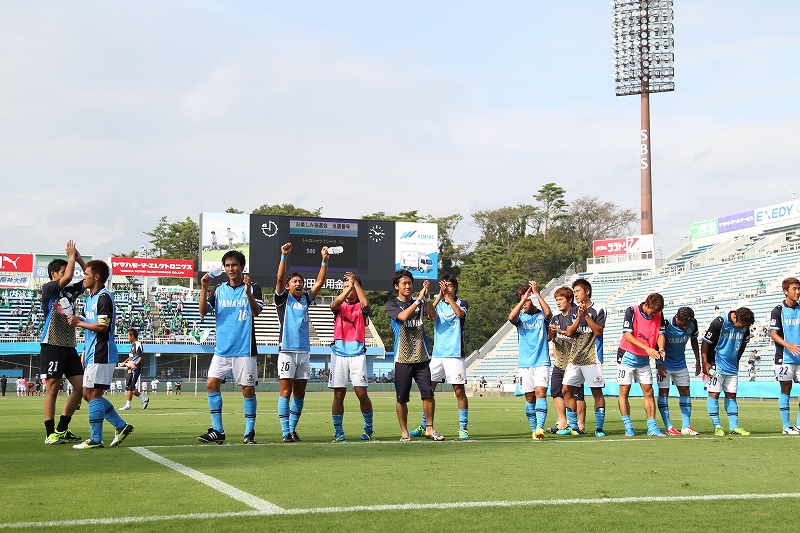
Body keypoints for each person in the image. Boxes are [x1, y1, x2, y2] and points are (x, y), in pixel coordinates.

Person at [197, 250, 263, 444]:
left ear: (242, 267)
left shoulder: (254, 287)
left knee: (247, 390)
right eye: (227, 265)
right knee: (211, 383)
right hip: (222, 350)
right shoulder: (218, 290)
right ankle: (218, 430)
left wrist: (248, 293)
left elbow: (256, 312)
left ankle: (249, 432)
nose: (231, 269)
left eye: (234, 265)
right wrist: (204, 289)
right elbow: (203, 311)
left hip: (244, 349)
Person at [67, 260, 134, 449]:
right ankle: (121, 426)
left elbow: (103, 327)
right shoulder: (91, 298)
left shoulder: (104, 297)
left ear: (96, 277)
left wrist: (79, 323)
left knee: (93, 394)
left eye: (86, 274)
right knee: (88, 394)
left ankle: (96, 439)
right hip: (91, 352)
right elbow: (92, 324)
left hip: (101, 352)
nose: (83, 277)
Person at [275, 242, 328, 442]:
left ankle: (292, 429)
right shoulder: (282, 300)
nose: (299, 284)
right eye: (295, 281)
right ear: (288, 286)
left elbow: (320, 282)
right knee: (286, 391)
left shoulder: (306, 298)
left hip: (304, 352)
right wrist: (283, 257)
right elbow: (280, 278)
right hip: (287, 351)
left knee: (300, 392)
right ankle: (284, 432)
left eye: (301, 281)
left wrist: (324, 262)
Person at [408, 275, 469, 438]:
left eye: (450, 286)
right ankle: (424, 426)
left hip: (455, 354)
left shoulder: (462, 303)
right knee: (428, 390)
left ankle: (463, 427)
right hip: (437, 355)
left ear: (455, 287)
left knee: (459, 391)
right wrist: (437, 297)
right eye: (444, 286)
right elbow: (430, 316)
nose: (447, 288)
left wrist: (447, 296)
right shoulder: (439, 304)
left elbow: (459, 314)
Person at [41, 240, 87, 445]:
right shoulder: (49, 288)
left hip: (69, 345)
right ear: (53, 274)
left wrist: (79, 259)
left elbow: (90, 279)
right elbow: (69, 275)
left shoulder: (70, 291)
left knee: (81, 387)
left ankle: (62, 428)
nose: (67, 274)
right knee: (53, 388)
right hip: (52, 343)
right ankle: (49, 433)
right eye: (62, 271)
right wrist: (70, 256)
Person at [387, 269, 442, 441]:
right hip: (402, 358)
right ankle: (404, 432)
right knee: (402, 397)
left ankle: (430, 428)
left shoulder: (420, 303)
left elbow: (432, 317)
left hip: (421, 356)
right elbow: (403, 317)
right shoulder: (392, 305)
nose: (408, 286)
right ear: (396, 286)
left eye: (410, 283)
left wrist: (427, 300)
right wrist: (418, 300)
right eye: (404, 283)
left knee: (428, 394)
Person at [329, 272, 374, 441]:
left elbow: (366, 304)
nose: (347, 289)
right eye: (344, 286)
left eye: (351, 286)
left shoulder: (361, 308)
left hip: (357, 354)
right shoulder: (340, 306)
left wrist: (355, 284)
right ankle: (338, 430)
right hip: (339, 354)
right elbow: (334, 304)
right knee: (339, 395)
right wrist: (348, 289)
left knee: (361, 393)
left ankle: (368, 427)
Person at [616, 293, 668, 437]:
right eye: (652, 311)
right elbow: (628, 336)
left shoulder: (659, 314)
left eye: (656, 312)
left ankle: (652, 427)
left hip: (644, 359)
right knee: (624, 391)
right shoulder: (631, 311)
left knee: (649, 391)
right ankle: (628, 426)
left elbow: (660, 334)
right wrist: (647, 348)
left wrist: (661, 348)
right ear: (646, 305)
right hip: (627, 356)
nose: (654, 315)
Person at [562, 279, 607, 437]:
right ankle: (574, 427)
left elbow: (598, 332)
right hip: (575, 358)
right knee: (566, 389)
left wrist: (586, 316)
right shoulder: (573, 311)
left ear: (587, 291)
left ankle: (599, 428)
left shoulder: (599, 309)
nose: (575, 294)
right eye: (574, 292)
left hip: (592, 358)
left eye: (578, 291)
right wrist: (578, 317)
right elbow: (569, 333)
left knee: (596, 392)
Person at [702, 307, 755, 436]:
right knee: (714, 394)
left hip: (732, 367)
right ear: (735, 317)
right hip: (716, 365)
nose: (742, 327)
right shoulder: (719, 323)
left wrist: (737, 359)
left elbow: (744, 342)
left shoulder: (745, 324)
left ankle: (734, 426)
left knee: (731, 395)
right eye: (741, 324)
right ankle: (717, 426)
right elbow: (705, 342)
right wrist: (705, 363)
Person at [509, 281, 552, 440]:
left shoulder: (541, 316)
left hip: (541, 361)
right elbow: (510, 317)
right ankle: (534, 429)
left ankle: (540, 428)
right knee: (529, 397)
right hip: (525, 364)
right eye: (522, 300)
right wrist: (523, 300)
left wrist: (536, 294)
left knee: (541, 393)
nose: (525, 303)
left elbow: (549, 314)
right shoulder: (520, 318)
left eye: (527, 300)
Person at [656, 306, 701, 435]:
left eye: (687, 324)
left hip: (680, 364)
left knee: (685, 391)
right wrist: (659, 363)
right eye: (683, 324)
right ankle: (668, 426)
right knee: (664, 393)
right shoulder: (666, 323)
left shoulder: (693, 324)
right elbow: (656, 342)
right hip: (664, 363)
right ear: (677, 317)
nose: (684, 327)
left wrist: (697, 359)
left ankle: (686, 426)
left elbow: (694, 340)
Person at [547, 286, 585, 434]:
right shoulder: (556, 318)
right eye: (556, 300)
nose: (558, 303)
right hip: (560, 362)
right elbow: (552, 339)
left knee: (577, 394)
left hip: (575, 361)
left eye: (560, 299)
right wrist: (550, 334)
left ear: (569, 300)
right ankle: (562, 421)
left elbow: (574, 334)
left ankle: (580, 424)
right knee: (556, 391)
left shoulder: (577, 314)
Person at [769, 277, 800, 434]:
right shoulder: (778, 310)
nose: (797, 292)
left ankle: (799, 424)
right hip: (784, 357)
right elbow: (773, 334)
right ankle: (786, 426)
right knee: (786, 389)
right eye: (794, 289)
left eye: (798, 289)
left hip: (799, 358)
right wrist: (788, 345)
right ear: (785, 291)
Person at [120, 328, 149, 410]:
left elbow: (141, 357)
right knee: (130, 387)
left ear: (132, 336)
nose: (127, 337)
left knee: (130, 387)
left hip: (135, 369)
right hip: (130, 369)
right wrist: (125, 362)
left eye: (128, 335)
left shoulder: (138, 344)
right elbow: (131, 357)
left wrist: (134, 365)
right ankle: (143, 400)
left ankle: (130, 405)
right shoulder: (133, 345)